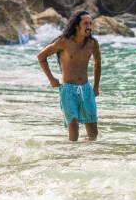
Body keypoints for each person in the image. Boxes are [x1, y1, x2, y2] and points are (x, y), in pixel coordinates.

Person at [36, 11, 101, 141]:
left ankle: (88, 152)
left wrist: (96, 87)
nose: (89, 27)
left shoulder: (92, 43)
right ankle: (71, 153)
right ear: (76, 26)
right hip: (68, 91)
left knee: (93, 134)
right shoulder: (63, 42)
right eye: (85, 23)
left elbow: (97, 64)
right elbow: (41, 56)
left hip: (86, 90)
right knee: (74, 129)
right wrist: (51, 79)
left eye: (90, 23)